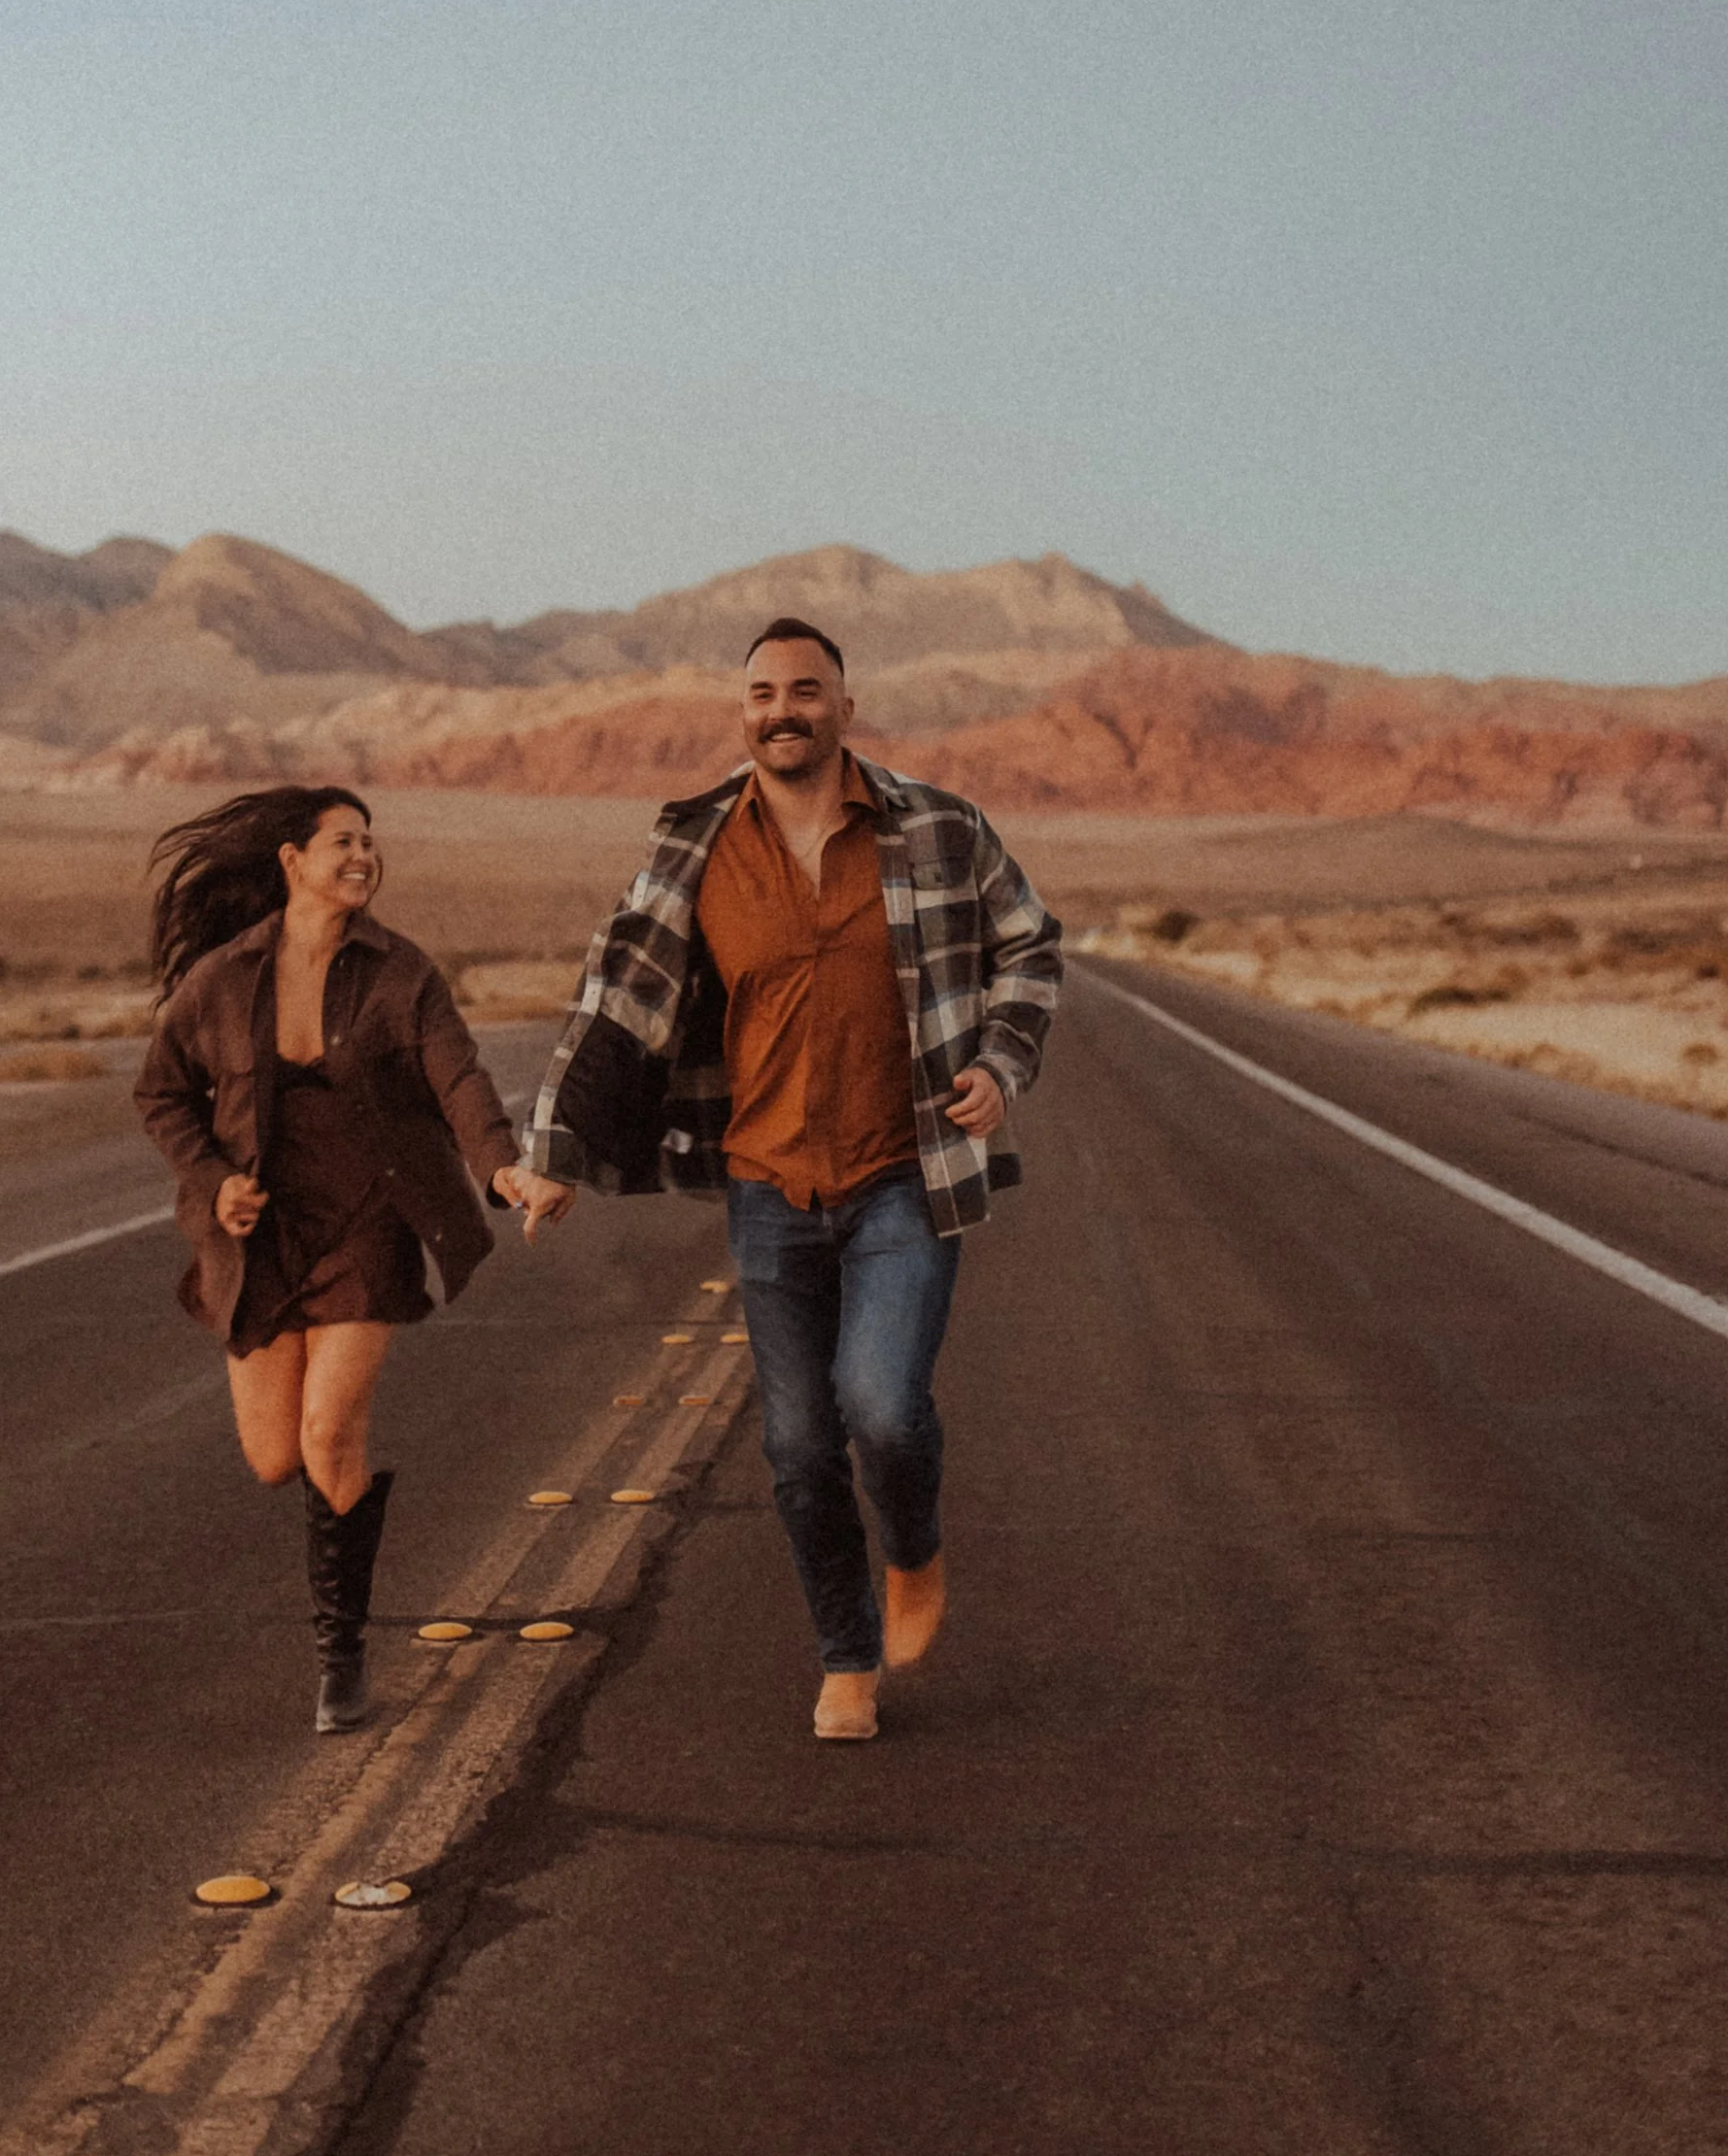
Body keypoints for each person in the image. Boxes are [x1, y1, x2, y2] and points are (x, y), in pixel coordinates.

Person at [523, 620, 1062, 1741]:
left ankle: (911, 1548)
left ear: (844, 708)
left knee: (881, 1408)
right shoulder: (695, 849)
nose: (784, 709)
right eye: (763, 691)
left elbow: (1029, 943)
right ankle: (844, 1656)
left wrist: (1000, 1061)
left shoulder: (937, 828)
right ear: (743, 713)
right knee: (797, 1443)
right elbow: (610, 1001)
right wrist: (554, 1152)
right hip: (766, 1183)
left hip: (903, 1174)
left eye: (806, 690)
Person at [136, 784, 572, 1733]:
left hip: (367, 1224)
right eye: (343, 842)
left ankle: (341, 1657)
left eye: (370, 843)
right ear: (292, 862)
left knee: (331, 1434)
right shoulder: (220, 978)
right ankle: (338, 1606)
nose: (364, 857)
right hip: (256, 1239)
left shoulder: (400, 974)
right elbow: (162, 1092)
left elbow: (461, 1085)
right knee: (271, 1456)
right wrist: (213, 1180)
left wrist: (505, 1174)